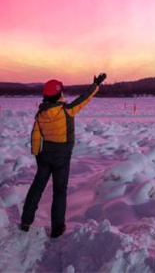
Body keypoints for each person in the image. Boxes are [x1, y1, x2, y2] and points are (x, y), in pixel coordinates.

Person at [20, 72, 106, 237]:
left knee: (37, 187)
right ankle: (57, 227)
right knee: (59, 191)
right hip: (62, 156)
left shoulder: (41, 113)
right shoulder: (67, 110)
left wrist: (37, 155)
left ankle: (26, 221)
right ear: (59, 93)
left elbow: (35, 135)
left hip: (45, 155)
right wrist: (96, 86)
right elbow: (83, 99)